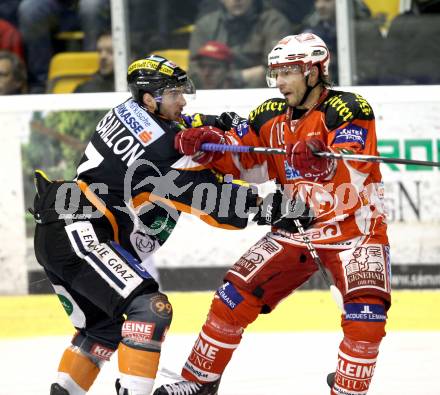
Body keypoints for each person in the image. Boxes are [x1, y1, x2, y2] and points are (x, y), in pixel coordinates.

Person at [32, 53, 302, 395]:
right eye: (174, 93)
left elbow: (181, 125)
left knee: (103, 329)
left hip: (61, 225)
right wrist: (272, 207)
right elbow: (212, 200)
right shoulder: (163, 149)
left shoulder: (128, 111)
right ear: (150, 98)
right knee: (151, 310)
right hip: (79, 228)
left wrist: (215, 122)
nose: (183, 100)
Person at [153, 32, 391, 395]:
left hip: (354, 229)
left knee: (366, 317)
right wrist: (206, 147)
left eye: (288, 73)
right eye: (275, 73)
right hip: (295, 227)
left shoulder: (349, 108)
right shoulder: (268, 114)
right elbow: (249, 163)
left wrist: (318, 159)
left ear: (314, 71)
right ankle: (199, 381)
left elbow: (355, 166)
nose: (279, 82)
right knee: (233, 297)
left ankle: (347, 390)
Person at [188, 0, 291, 88]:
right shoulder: (205, 25)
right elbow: (194, 69)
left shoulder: (274, 22)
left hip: (260, 92)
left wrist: (238, 77)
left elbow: (279, 69)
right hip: (215, 91)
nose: (237, 0)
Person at [18, 0, 110, 92]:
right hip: (59, 6)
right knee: (31, 8)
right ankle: (41, 84)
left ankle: (96, 77)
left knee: (91, 5)